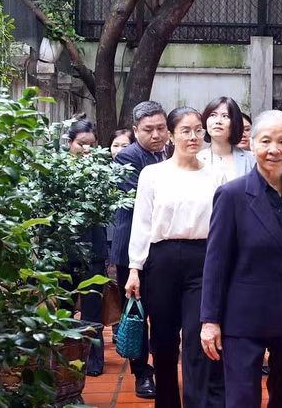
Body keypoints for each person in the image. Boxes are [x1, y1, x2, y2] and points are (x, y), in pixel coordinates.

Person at [200, 110, 282, 408]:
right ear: (252, 144)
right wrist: (210, 320)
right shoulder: (232, 195)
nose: (274, 149)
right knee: (242, 399)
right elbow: (216, 263)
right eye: (266, 141)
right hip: (244, 316)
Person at [124, 107, 226, 408]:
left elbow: (222, 225)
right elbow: (142, 222)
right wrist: (134, 268)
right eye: (185, 130)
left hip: (203, 259)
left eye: (198, 130)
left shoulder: (216, 174)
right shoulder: (153, 174)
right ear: (171, 135)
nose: (193, 137)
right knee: (163, 340)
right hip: (162, 260)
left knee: (197, 339)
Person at [110, 100, 170, 398]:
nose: (156, 135)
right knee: (136, 313)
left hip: (164, 249)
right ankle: (141, 374)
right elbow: (146, 202)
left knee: (163, 312)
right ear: (135, 130)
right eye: (148, 129)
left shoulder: (171, 153)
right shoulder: (127, 157)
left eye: (161, 128)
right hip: (131, 249)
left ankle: (164, 367)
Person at [64, 115, 107, 377]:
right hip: (63, 251)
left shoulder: (102, 173)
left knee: (92, 311)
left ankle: (93, 362)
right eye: (81, 144)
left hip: (94, 251)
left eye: (92, 144)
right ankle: (63, 360)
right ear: (69, 143)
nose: (87, 150)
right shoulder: (56, 172)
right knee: (63, 309)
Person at [107, 128, 136, 339]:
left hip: (125, 235)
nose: (119, 150)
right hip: (110, 235)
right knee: (113, 285)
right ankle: (118, 325)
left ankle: (127, 329)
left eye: (125, 146)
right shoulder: (101, 172)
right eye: (115, 145)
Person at [197, 97, 254, 181]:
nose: (218, 121)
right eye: (213, 115)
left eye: (225, 116)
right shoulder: (197, 159)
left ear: (235, 122)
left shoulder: (251, 159)